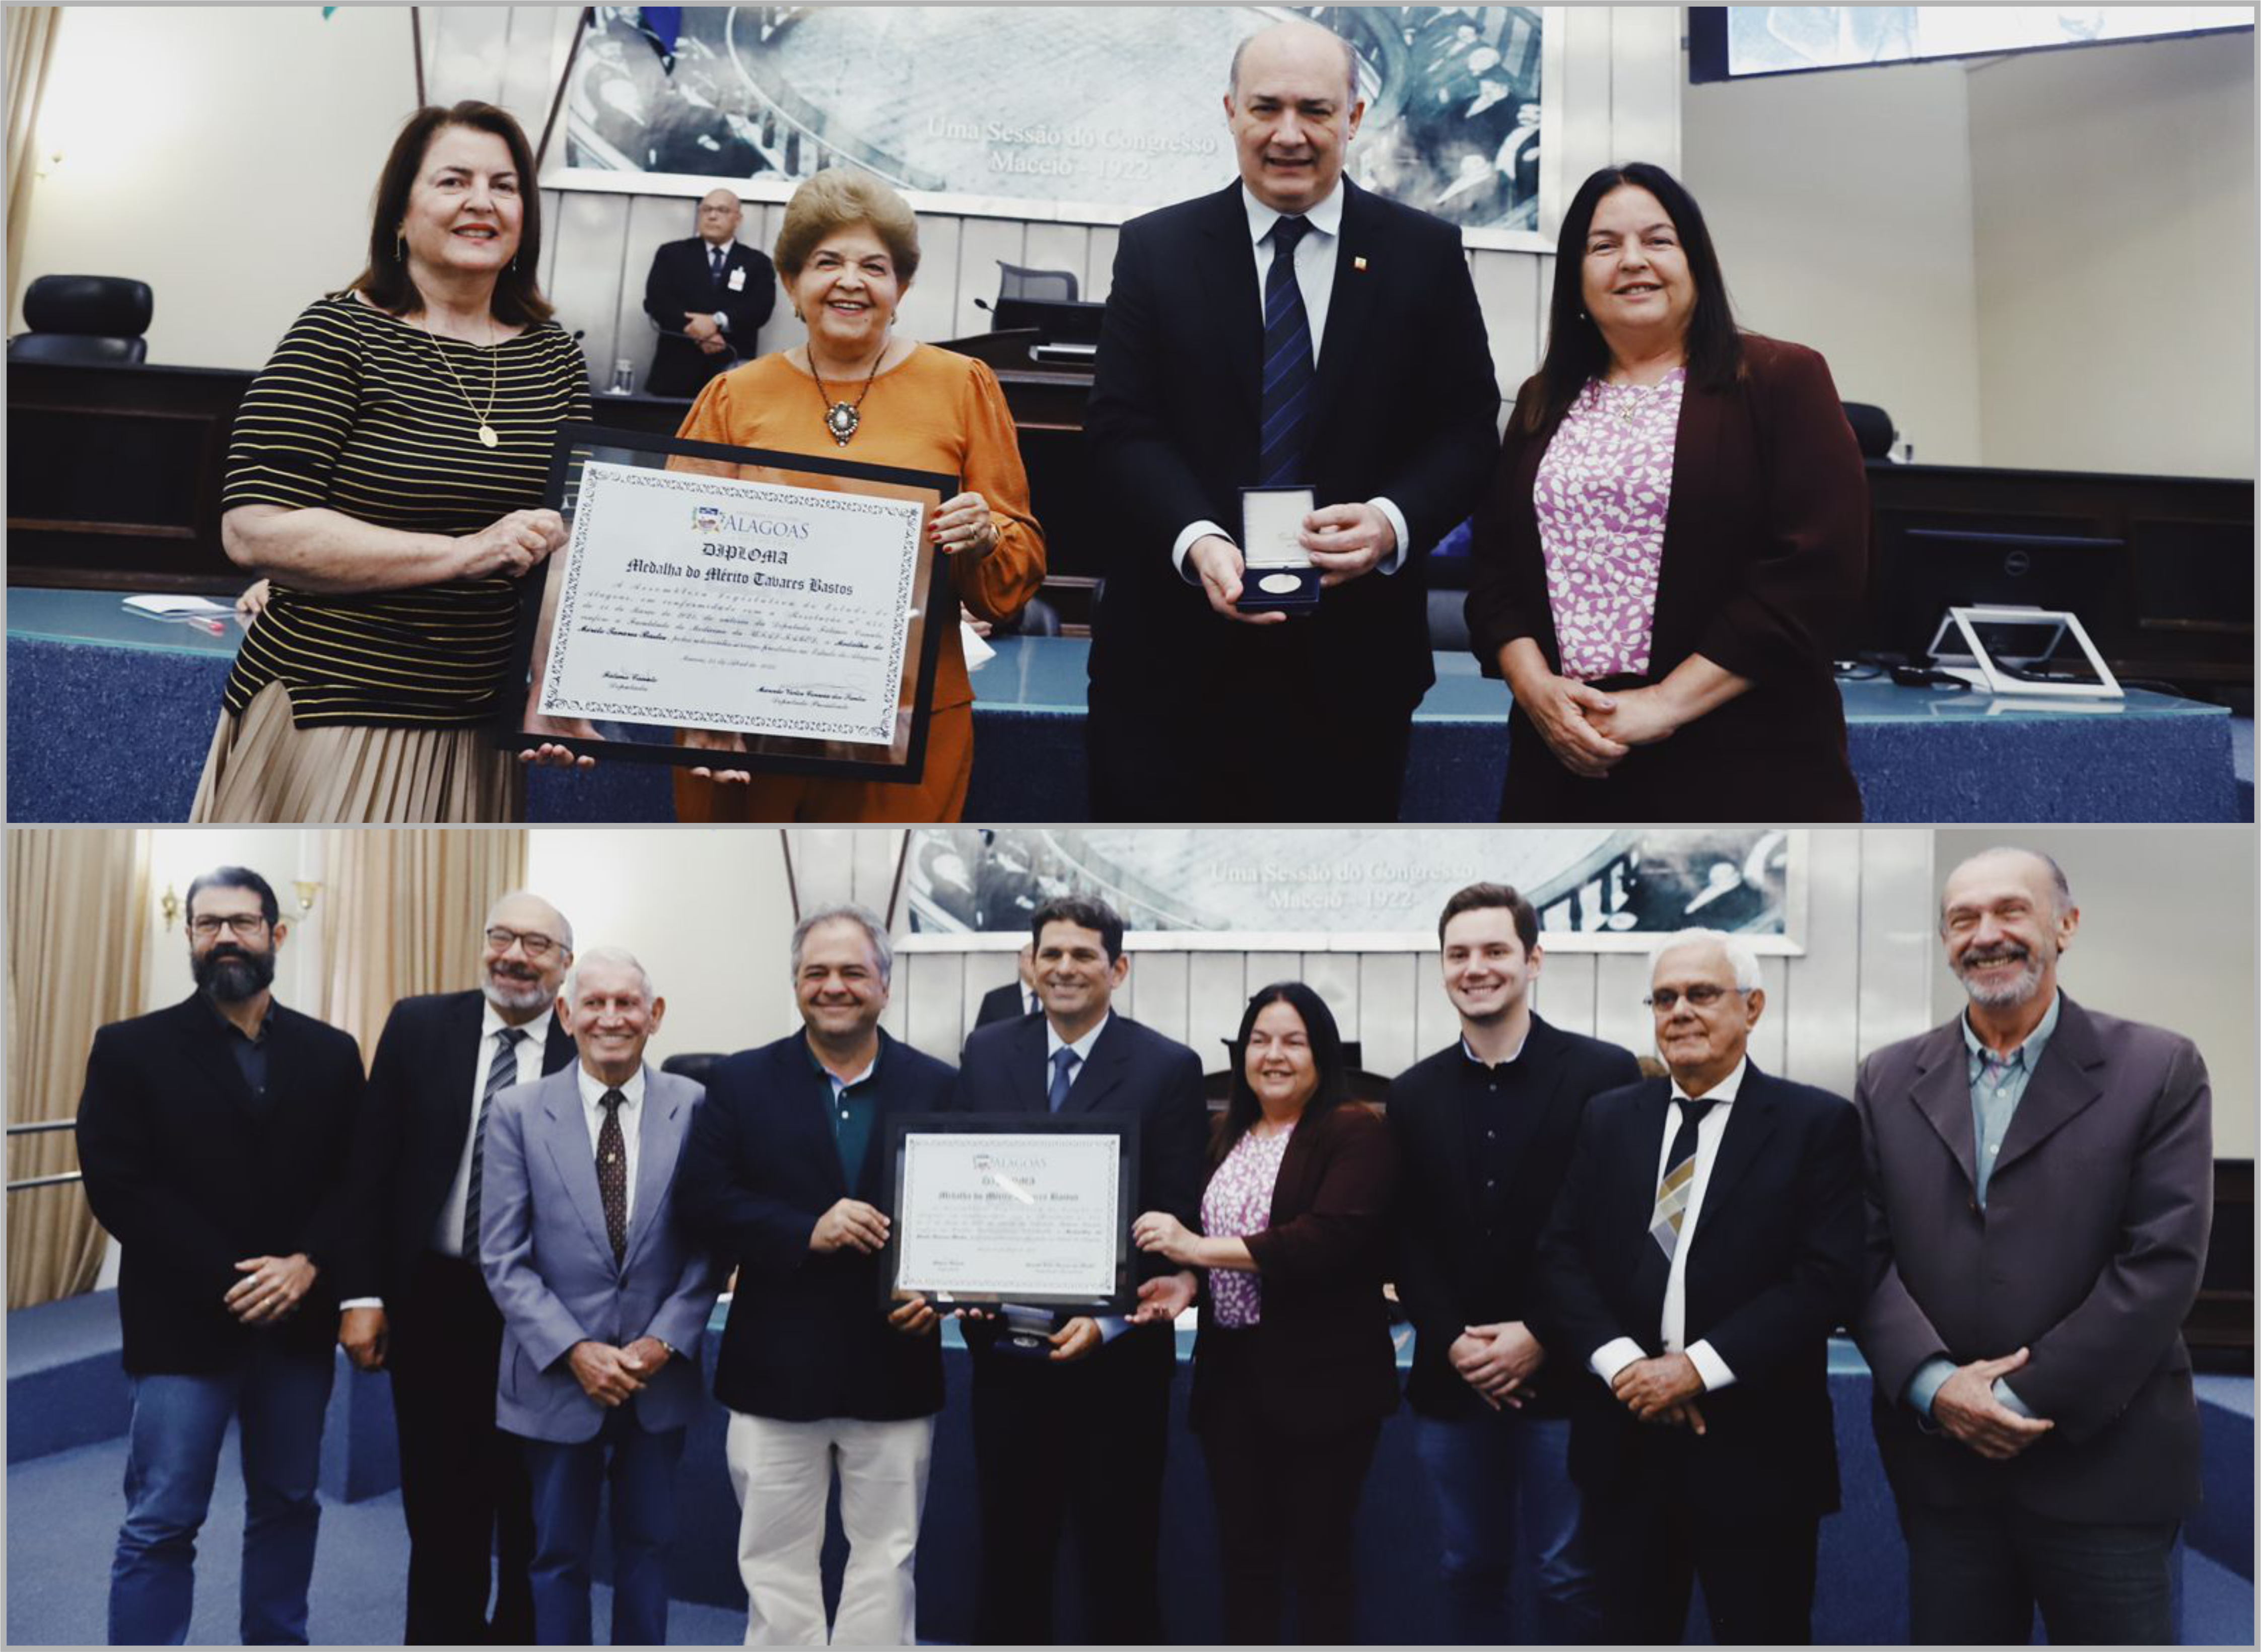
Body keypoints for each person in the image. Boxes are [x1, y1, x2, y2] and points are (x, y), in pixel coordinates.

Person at [1083, 18, 1501, 822]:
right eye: (1266, 108)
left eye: (1314, 110)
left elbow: (1465, 432)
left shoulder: (1424, 254)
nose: (1288, 134)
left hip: (1349, 679)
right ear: (1230, 112)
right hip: (1167, 673)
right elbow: (1121, 428)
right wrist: (1198, 540)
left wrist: (1388, 523)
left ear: (1354, 117)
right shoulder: (1156, 249)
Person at [193, 101, 592, 823]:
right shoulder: (335, 334)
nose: (482, 202)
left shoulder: (555, 358)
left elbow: (567, 545)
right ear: (401, 216)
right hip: (335, 708)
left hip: (478, 722)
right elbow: (255, 530)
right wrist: (463, 554)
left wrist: (550, 688)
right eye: (453, 181)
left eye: (504, 186)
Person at [1851, 849, 2212, 1644]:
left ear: (2065, 926)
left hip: (2103, 1466)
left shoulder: (2158, 1067)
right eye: (1963, 919)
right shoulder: (1884, 1079)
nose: (1986, 935)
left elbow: (2162, 1262)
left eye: (2011, 911)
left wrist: (2010, 1401)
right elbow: (1863, 1257)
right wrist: (1939, 1389)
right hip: (1945, 1471)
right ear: (1946, 942)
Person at [1465, 161, 1868, 822]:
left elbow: (1819, 570)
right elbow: (1493, 572)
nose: (1633, 261)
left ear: (1696, 264)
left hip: (1742, 759)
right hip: (1565, 754)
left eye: (1658, 240)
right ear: (1574, 279)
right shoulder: (1542, 399)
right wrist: (1535, 689)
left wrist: (1662, 704)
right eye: (1604, 246)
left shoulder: (1780, 378)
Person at [669, 168, 1044, 822]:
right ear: (791, 282)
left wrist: (985, 537)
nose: (851, 281)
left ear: (901, 288)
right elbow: (673, 553)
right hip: (747, 726)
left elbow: (1015, 576)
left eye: (875, 266)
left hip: (906, 728)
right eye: (827, 262)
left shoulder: (962, 386)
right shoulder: (732, 396)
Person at [1535, 929, 1862, 1643]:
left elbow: (1827, 1278)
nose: (1679, 1011)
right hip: (1625, 1443)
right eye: (1664, 998)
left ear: (1753, 1007)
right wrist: (1628, 1368)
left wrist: (1694, 1370)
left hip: (1755, 1451)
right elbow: (1560, 1255)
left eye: (1701, 994)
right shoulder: (1608, 1118)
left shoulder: (1816, 1124)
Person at [74, 867, 366, 1645]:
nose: (226, 937)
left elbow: (357, 1179)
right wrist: (234, 1277)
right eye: (209, 924)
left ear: (277, 934)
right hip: (181, 1328)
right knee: (162, 1520)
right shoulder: (129, 1048)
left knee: (289, 1505)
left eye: (242, 922)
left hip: (297, 1324)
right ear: (190, 937)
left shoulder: (334, 1053)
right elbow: (119, 1186)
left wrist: (307, 1262)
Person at [672, 905, 958, 1644]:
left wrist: (944, 1294)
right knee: (774, 1563)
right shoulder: (739, 1081)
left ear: (885, 986)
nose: (834, 986)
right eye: (816, 972)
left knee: (887, 1558)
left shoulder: (939, 1085)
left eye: (853, 972)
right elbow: (702, 1202)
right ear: (796, 983)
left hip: (895, 1364)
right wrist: (805, 1229)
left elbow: (968, 1210)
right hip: (775, 1366)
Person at [1387, 883, 1641, 1643]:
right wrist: (1451, 1341)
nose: (1476, 968)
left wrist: (1539, 1334)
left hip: (1567, 1377)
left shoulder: (1603, 1074)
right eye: (1458, 954)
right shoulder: (1411, 1092)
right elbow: (1406, 1237)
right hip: (1453, 1380)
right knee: (1467, 1568)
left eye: (1495, 950)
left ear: (1533, 960)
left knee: (1568, 1574)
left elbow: (1615, 1228)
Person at [952, 896, 1208, 1643]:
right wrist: (960, 1275)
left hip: (1117, 1366)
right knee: (1010, 1559)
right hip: (1007, 1356)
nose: (1064, 968)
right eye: (1051, 954)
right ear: (1030, 965)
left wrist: (1109, 1320)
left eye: (1083, 955)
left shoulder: (1167, 1067)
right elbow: (966, 1180)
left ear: (1117, 969)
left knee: (1119, 1563)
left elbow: (1172, 1211)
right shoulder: (986, 1052)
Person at [335, 892, 579, 1645]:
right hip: (434, 1300)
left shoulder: (587, 1045)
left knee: (530, 1507)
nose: (515, 956)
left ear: (564, 965)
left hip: (543, 1311)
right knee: (440, 1503)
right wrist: (361, 1292)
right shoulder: (419, 1026)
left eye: (536, 944)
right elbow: (368, 1169)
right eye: (502, 937)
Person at [1130, 983, 1399, 1644]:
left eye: (1292, 1041)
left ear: (1321, 1054)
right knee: (1244, 1559)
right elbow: (1218, 1238)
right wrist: (1187, 1281)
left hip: (1324, 1386)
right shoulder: (1228, 1133)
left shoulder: (1353, 1131)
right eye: (1259, 1040)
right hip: (1232, 1382)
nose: (1273, 1056)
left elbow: (1323, 1240)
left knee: (1318, 1561)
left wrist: (1194, 1249)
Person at [477, 948, 718, 1647]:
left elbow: (710, 1245)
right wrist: (576, 1350)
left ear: (655, 1015)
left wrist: (662, 1341)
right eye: (594, 1003)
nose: (611, 1018)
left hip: (657, 1378)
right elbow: (503, 1256)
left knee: (649, 1548)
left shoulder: (695, 1106)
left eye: (627, 1003)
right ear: (566, 1014)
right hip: (556, 1377)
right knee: (555, 1555)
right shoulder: (517, 1111)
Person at [642, 188, 776, 397]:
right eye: (707, 210)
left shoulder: (757, 262)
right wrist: (701, 332)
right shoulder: (672, 254)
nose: (712, 216)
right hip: (675, 373)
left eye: (722, 210)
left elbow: (760, 308)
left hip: (731, 373)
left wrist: (717, 321)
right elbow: (657, 302)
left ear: (738, 219)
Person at [971, 940, 1039, 1031]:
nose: (1036, 962)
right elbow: (981, 1037)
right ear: (1020, 961)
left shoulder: (1055, 998)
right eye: (1032, 957)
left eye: (1041, 958)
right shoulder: (995, 1000)